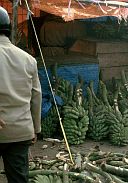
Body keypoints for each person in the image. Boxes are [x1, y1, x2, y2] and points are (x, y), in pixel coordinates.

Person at [0, 6, 42, 183]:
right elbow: (36, 96)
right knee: (18, 179)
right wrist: (35, 129)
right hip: (21, 131)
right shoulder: (28, 59)